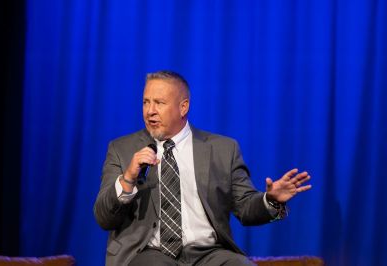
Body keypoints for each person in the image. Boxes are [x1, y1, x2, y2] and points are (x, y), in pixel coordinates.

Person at [93, 70, 311, 266]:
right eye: (145, 102)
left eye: (159, 103)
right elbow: (104, 218)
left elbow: (245, 208)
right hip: (149, 253)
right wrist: (128, 178)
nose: (150, 111)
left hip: (209, 254)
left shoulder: (223, 149)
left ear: (183, 107)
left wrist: (271, 200)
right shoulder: (122, 149)